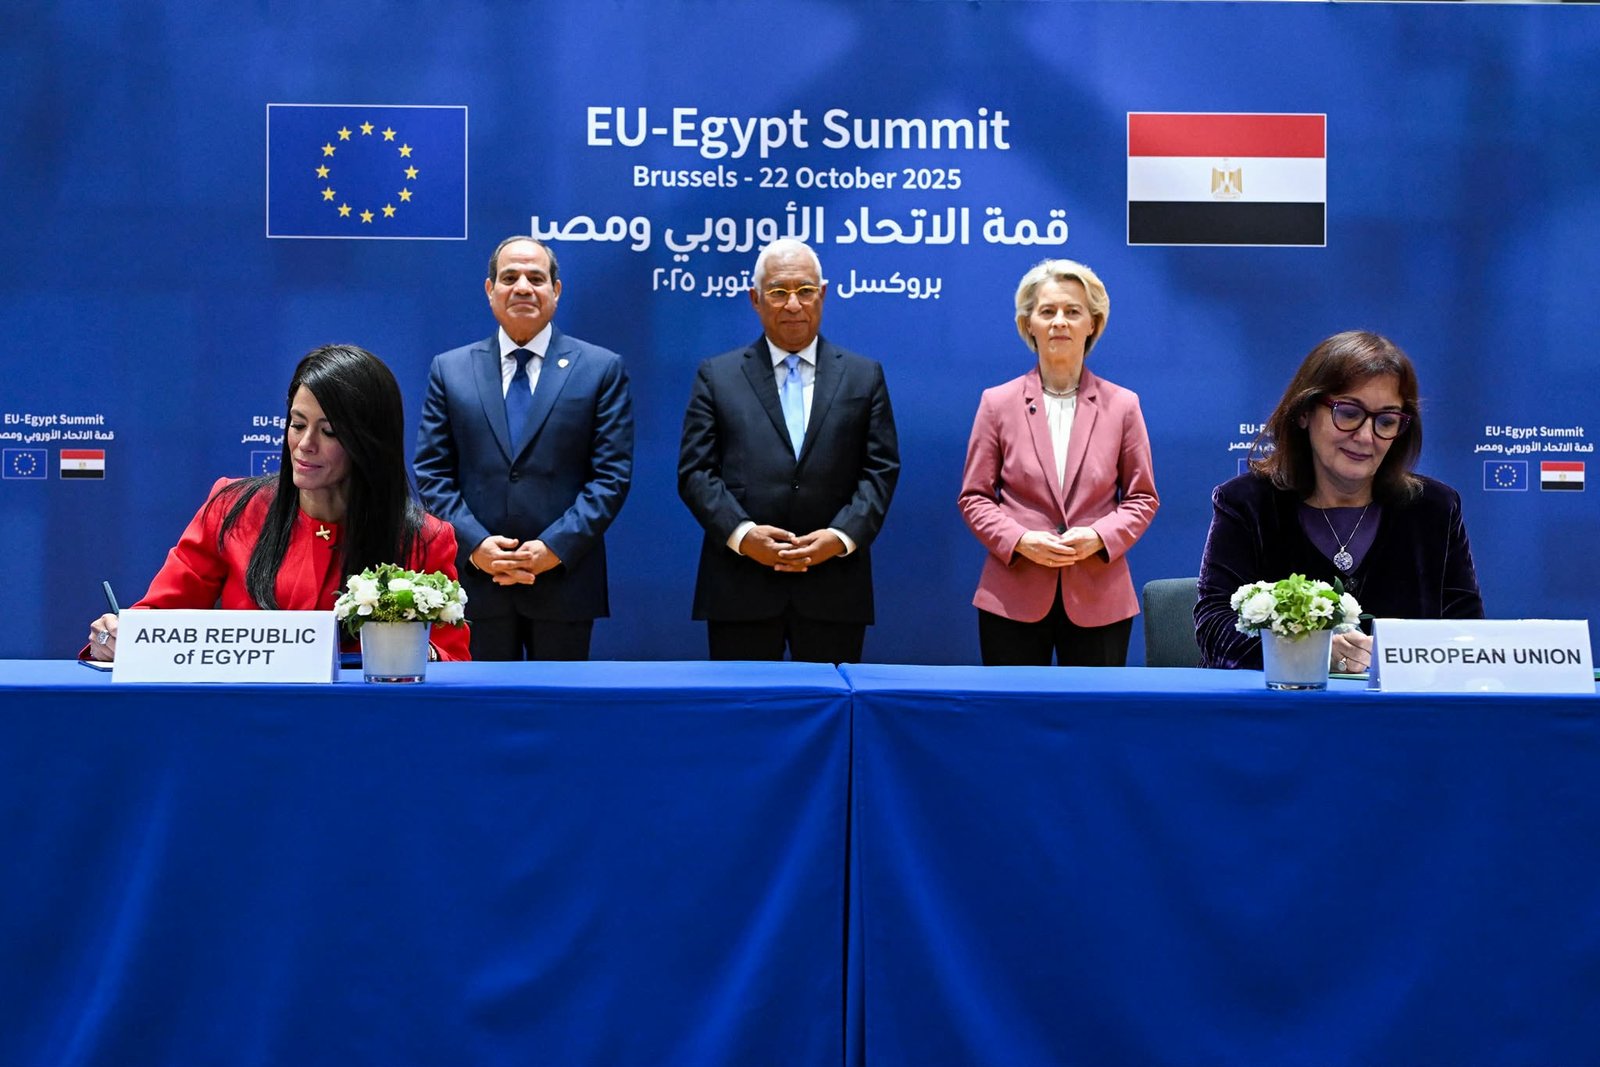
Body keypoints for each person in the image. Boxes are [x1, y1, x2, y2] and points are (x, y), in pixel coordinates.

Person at [84, 345, 470, 662]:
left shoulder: (424, 538)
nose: (305, 445)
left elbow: (450, 658)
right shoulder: (232, 507)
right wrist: (117, 638)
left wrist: (409, 651)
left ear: (369, 442)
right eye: (297, 425)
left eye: (329, 431)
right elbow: (158, 619)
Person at [1195, 330, 1484, 671]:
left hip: (1400, 704)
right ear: (1304, 412)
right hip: (1283, 701)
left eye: (1386, 421)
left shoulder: (1434, 507)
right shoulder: (1246, 503)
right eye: (1348, 413)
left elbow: (1466, 636)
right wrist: (1309, 652)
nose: (1365, 436)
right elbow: (1215, 629)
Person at [678, 238, 899, 663]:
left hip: (834, 586)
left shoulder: (863, 376)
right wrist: (744, 536)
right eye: (779, 291)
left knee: (831, 706)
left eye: (805, 290)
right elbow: (695, 473)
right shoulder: (717, 376)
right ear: (755, 299)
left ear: (823, 294)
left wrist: (839, 538)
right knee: (745, 706)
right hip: (741, 585)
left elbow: (880, 472)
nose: (793, 304)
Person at [414, 236, 633, 661]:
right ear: (490, 289)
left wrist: (554, 548)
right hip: (477, 584)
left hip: (564, 582)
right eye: (510, 277)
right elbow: (432, 472)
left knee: (560, 702)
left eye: (536, 278)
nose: (522, 288)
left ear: (556, 289)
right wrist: (476, 546)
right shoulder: (450, 369)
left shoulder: (601, 368)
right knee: (480, 701)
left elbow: (610, 477)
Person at [957, 258, 1159, 666]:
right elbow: (974, 497)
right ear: (1028, 324)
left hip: (1099, 598)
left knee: (1094, 707)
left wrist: (1099, 536)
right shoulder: (996, 403)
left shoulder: (1123, 405)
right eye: (1047, 311)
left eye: (1072, 311)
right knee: (1010, 707)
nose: (1060, 322)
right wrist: (1020, 540)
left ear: (1093, 323)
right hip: (1012, 597)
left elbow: (1142, 498)